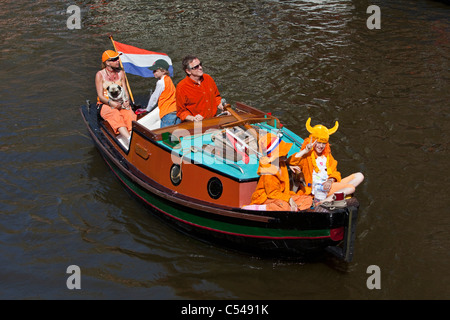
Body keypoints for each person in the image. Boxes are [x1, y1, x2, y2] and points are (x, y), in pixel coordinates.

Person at [288, 118, 364, 204]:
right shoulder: (307, 156)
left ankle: (335, 195)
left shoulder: (327, 156)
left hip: (329, 185)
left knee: (359, 176)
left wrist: (330, 180)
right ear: (312, 141)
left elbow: (335, 172)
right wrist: (305, 150)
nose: (321, 146)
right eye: (318, 142)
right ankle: (324, 201)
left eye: (323, 143)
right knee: (351, 188)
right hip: (317, 189)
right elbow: (291, 161)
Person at [244, 133, 313, 211]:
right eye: (283, 153)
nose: (286, 154)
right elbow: (272, 193)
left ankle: (291, 209)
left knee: (307, 199)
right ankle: (257, 208)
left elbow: (292, 160)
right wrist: (289, 199)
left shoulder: (281, 162)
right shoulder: (268, 171)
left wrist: (305, 151)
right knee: (284, 207)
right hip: (266, 198)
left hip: (282, 196)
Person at [95, 50, 136, 141]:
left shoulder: (121, 73)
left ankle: (133, 135)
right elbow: (100, 96)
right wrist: (111, 103)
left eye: (118, 58)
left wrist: (126, 101)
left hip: (120, 101)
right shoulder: (100, 74)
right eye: (114, 59)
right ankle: (128, 138)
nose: (118, 60)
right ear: (107, 63)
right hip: (106, 103)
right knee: (114, 114)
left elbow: (125, 90)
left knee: (129, 114)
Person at [175, 55, 225, 122]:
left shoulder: (208, 78)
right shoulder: (181, 87)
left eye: (200, 64)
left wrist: (223, 106)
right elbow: (181, 112)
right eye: (196, 67)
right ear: (188, 71)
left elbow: (216, 97)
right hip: (196, 125)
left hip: (214, 120)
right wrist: (193, 118)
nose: (200, 67)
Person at [136, 59, 181, 127]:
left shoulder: (160, 82)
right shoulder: (168, 79)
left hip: (167, 111)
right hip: (176, 109)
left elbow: (154, 97)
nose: (153, 73)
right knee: (176, 132)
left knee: (165, 135)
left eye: (155, 71)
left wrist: (147, 109)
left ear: (163, 71)